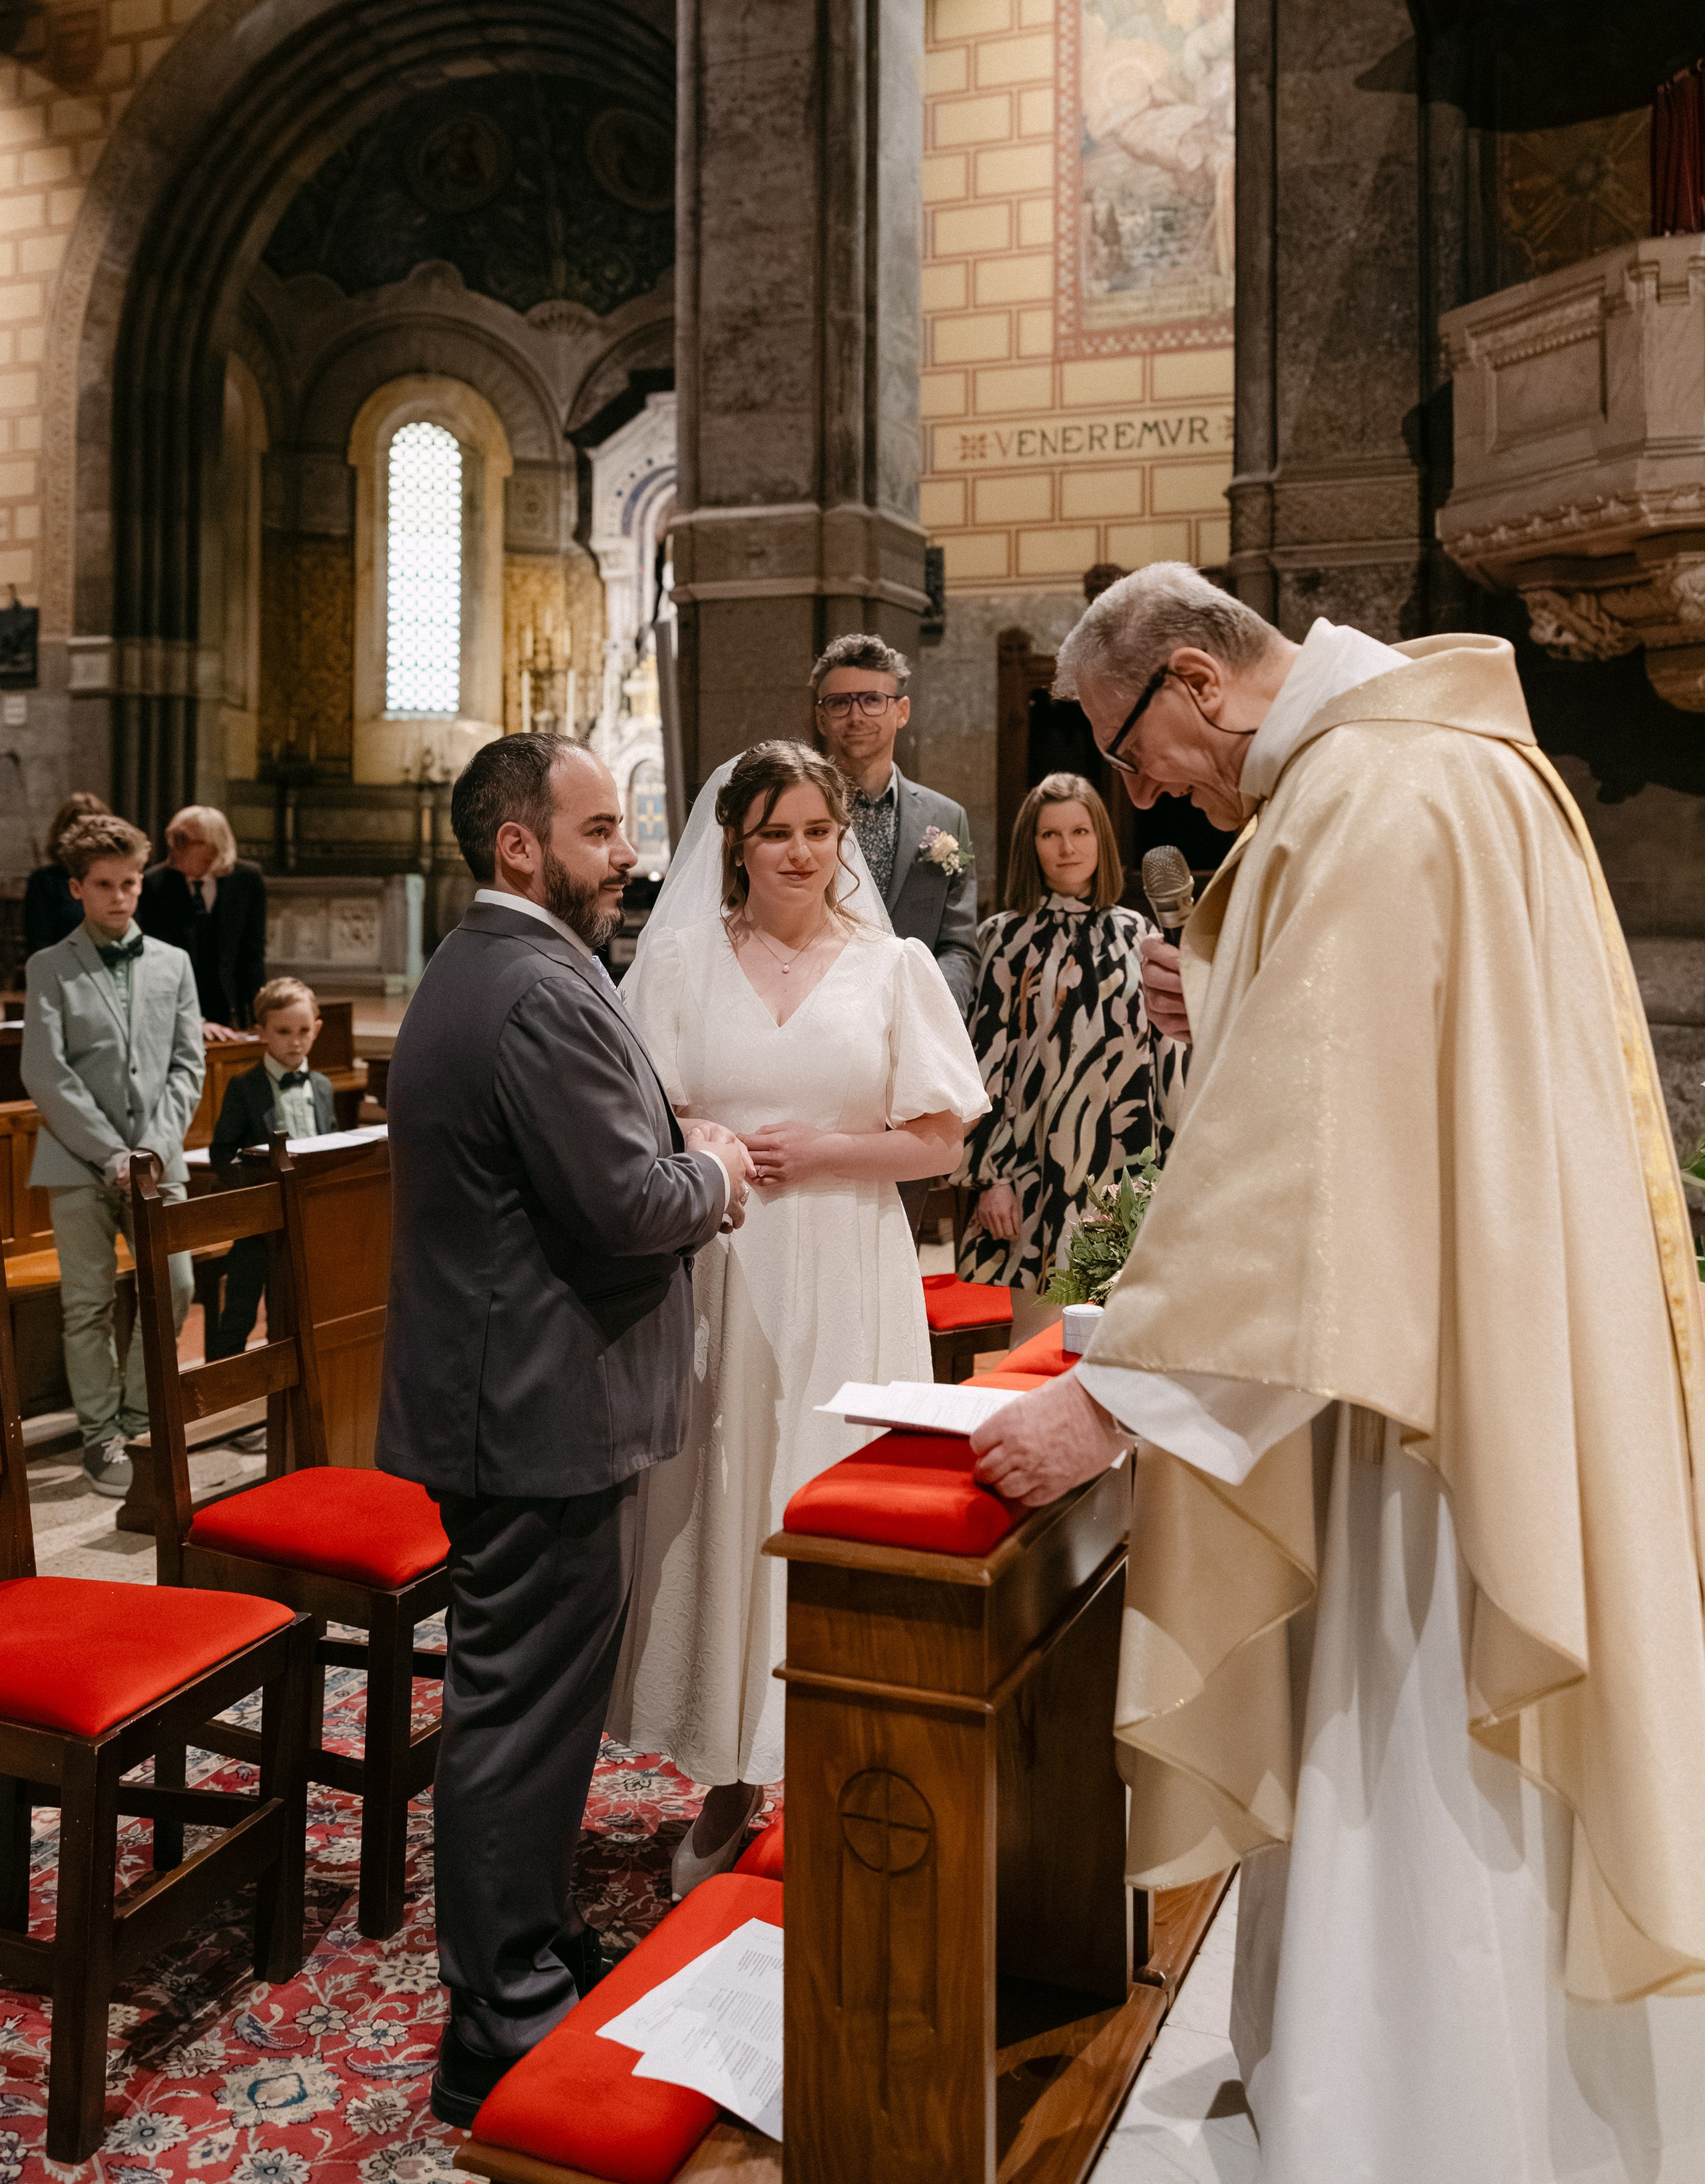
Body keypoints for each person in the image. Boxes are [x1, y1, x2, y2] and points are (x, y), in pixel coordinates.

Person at [970, 565, 1705, 2182]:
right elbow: (1410, 1081)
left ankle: (1418, 2127)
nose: (1141, 786)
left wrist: (1105, 1401)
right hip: (1470, 1336)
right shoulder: (1439, 760)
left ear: (1194, 675)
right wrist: (1230, 998)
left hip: (1426, 1409)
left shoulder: (1370, 796)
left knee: (1413, 1744)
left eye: (1133, 748)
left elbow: (1318, 1163)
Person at [373, 731, 751, 2129]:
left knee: (530, 1707)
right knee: (518, 1714)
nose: (629, 854)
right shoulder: (531, 986)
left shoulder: (506, 968)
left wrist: (665, 1137)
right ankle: (494, 2012)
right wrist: (708, 1172)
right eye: (600, 831)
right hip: (528, 1412)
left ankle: (524, 1941)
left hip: (524, 1402)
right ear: (520, 845)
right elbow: (622, 1206)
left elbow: (588, 1152)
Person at [608, 739, 988, 1888]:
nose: (801, 853)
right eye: (777, 832)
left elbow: (942, 1135)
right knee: (725, 1500)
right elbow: (645, 1111)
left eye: (819, 831)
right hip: (722, 1265)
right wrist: (708, 1142)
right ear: (737, 842)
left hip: (847, 1257)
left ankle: (836, 1769)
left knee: (824, 1494)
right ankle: (729, 1777)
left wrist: (829, 1148)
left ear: (843, 841)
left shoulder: (895, 968)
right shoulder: (679, 964)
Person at [21, 813, 203, 1498]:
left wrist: (150, 1149)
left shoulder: (173, 963)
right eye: (105, 885)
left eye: (130, 883)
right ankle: (101, 1436)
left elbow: (189, 1064)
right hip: (76, 1161)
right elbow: (47, 1071)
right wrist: (111, 1153)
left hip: (158, 1162)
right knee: (88, 1303)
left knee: (176, 1286)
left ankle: (137, 1414)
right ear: (78, 887)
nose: (121, 896)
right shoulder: (50, 966)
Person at [955, 771, 1181, 1291]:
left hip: (1125, 1166)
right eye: (1050, 834)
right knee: (1035, 1344)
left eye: (1080, 832)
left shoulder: (1139, 935)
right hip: (1031, 1171)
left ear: (1101, 837)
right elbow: (984, 1065)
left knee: (1116, 1339)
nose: (1067, 848)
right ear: (1030, 846)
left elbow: (1167, 1061)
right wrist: (992, 1176)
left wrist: (1174, 1171)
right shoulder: (1005, 938)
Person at [811, 631, 979, 1015]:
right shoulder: (796, 814)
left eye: (872, 700)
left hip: (917, 1015)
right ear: (822, 718)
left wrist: (934, 1012)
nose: (856, 716)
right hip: (819, 1012)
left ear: (901, 711)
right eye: (839, 703)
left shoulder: (946, 818)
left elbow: (958, 941)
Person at [208, 977, 335, 1365]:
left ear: (316, 1029)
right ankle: (225, 1392)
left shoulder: (323, 1086)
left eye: (303, 1031)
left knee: (293, 1309)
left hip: (307, 1220)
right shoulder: (245, 1088)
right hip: (259, 1225)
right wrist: (257, 1191)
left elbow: (328, 1143)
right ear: (261, 1032)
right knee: (241, 1310)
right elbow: (222, 1153)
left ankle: (286, 1396)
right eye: (283, 1032)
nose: (295, 1042)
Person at [137, 804, 267, 1040]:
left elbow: (253, 953)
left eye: (184, 840)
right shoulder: (152, 884)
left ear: (214, 846)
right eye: (172, 838)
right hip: (178, 1005)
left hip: (232, 1005)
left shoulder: (247, 880)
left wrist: (262, 1014)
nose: (173, 847)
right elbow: (154, 962)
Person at [22, 790, 106, 955]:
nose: (89, 842)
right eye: (81, 834)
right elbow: (39, 943)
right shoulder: (44, 881)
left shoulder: (116, 879)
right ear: (63, 836)